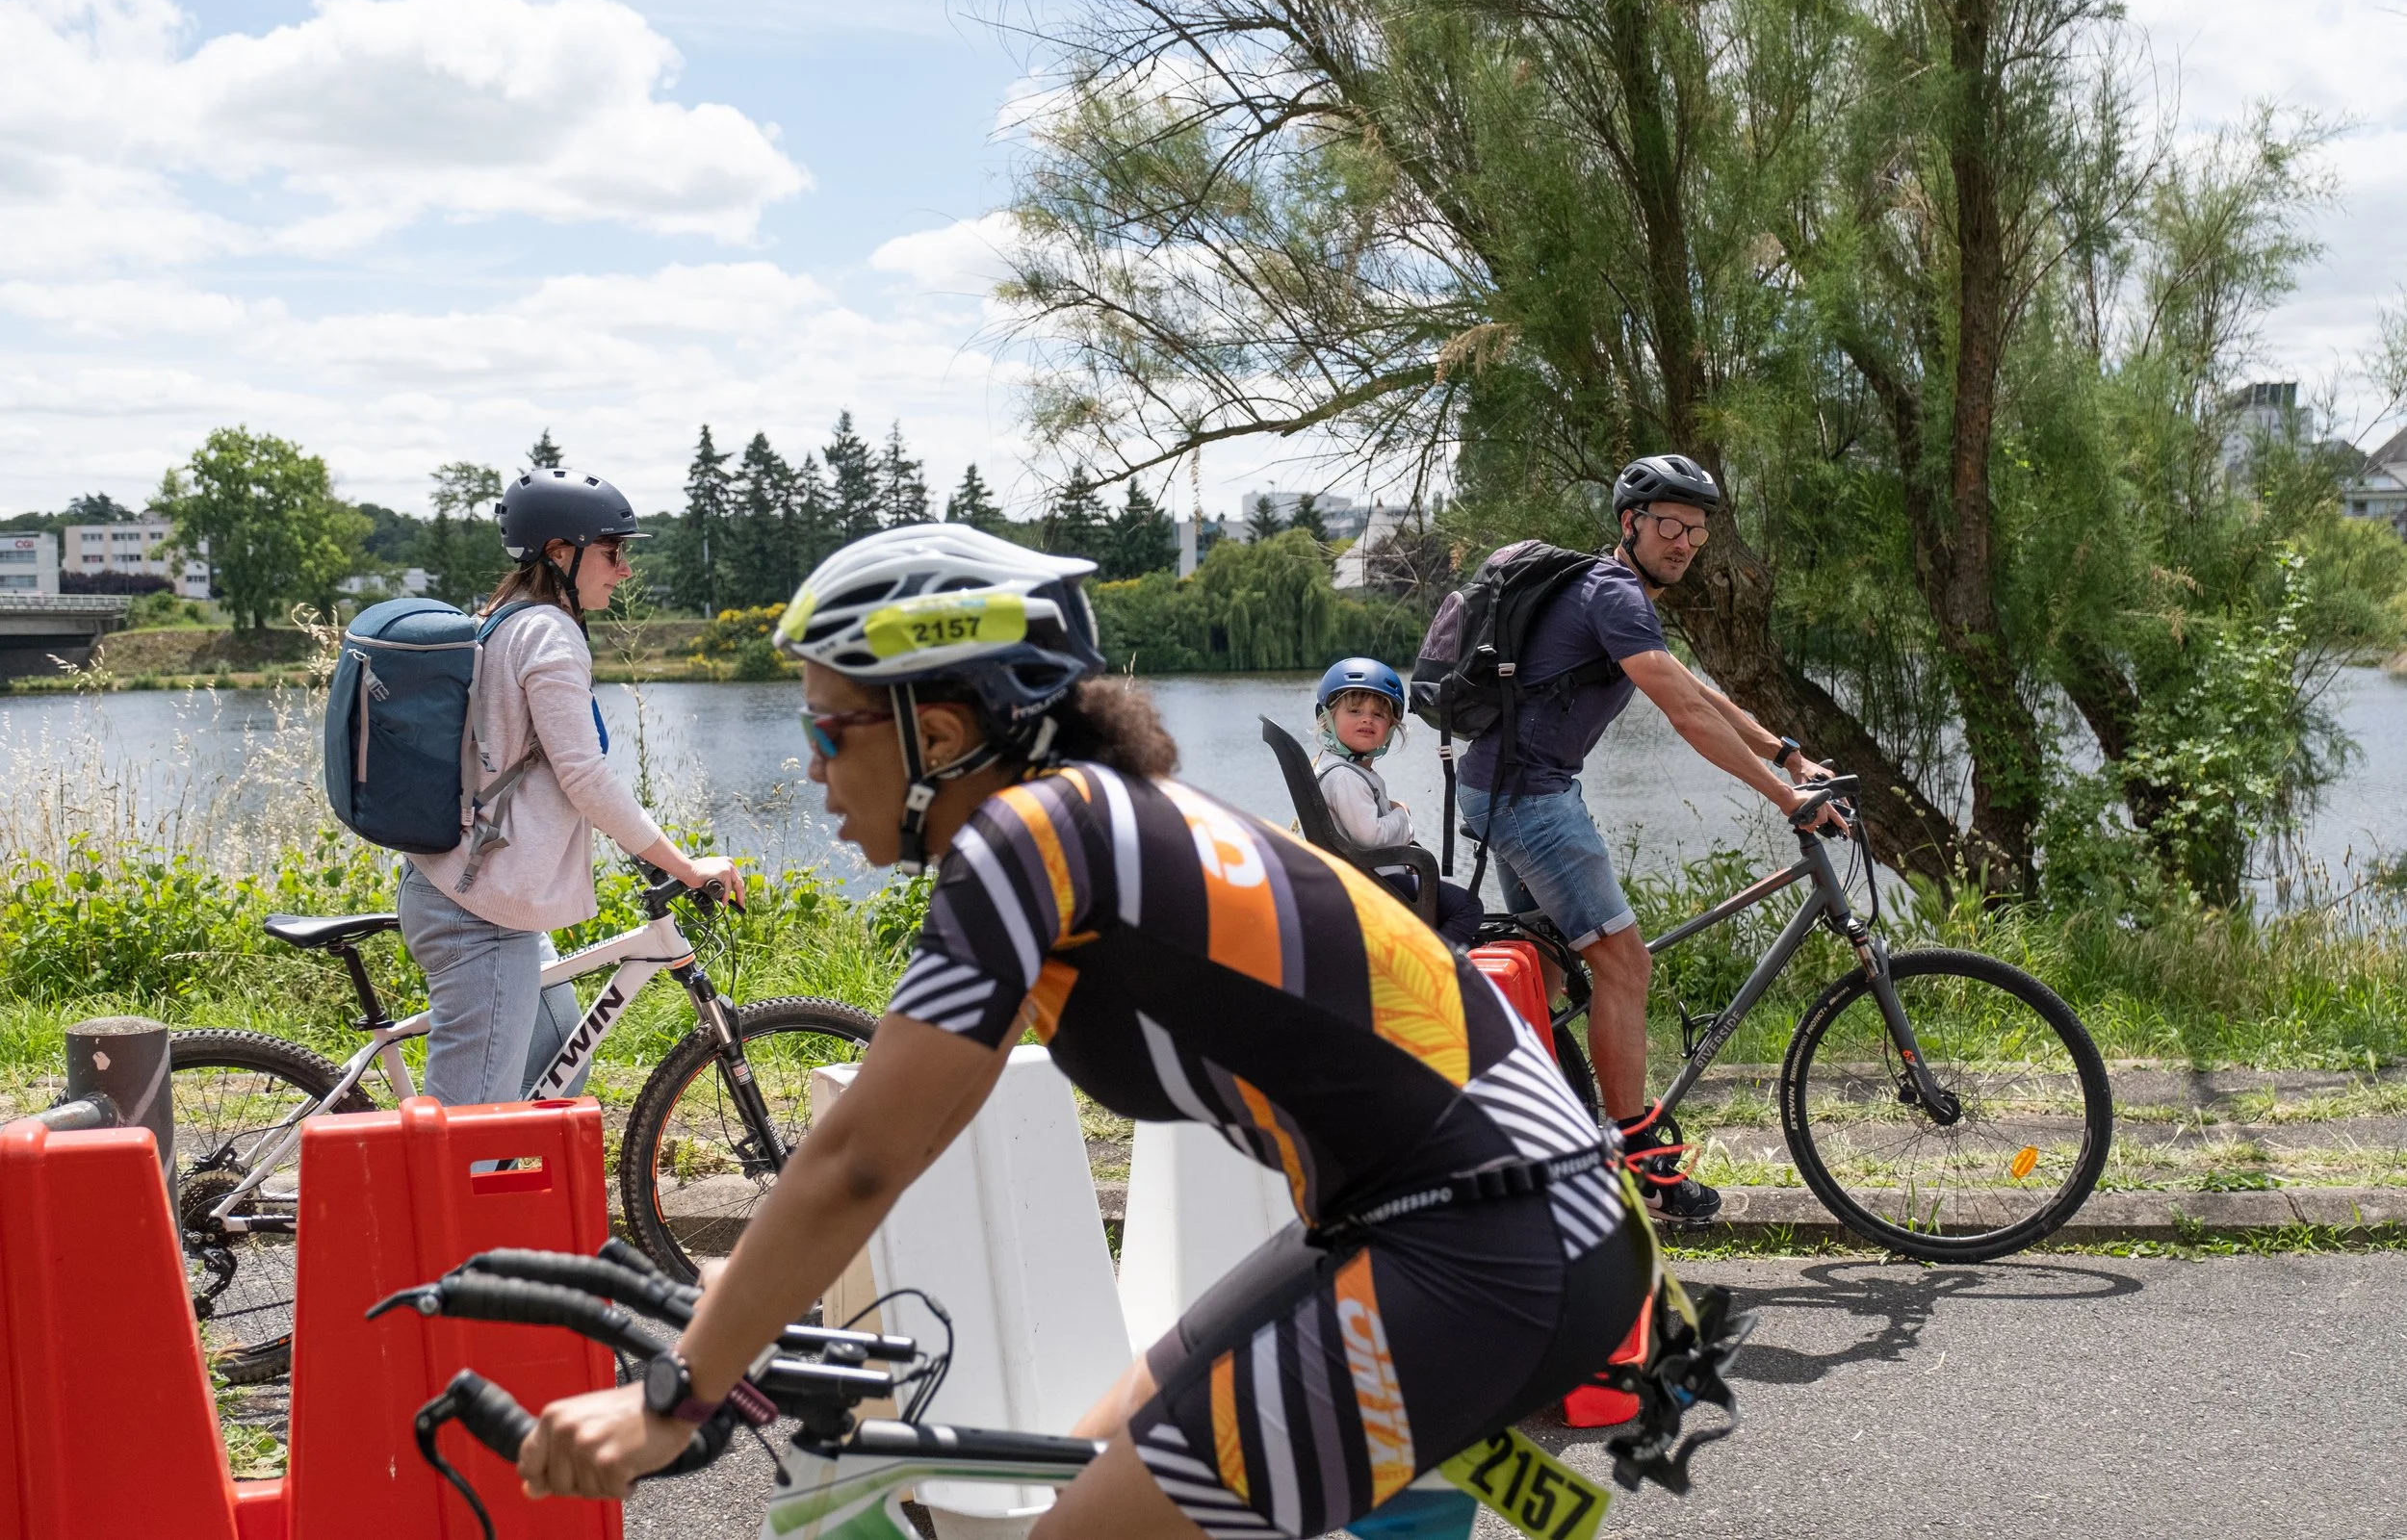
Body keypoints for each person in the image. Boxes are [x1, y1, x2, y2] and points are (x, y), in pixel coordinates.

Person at [512, 525, 1650, 1540]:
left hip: (1486, 1242)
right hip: (1452, 1219)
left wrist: (676, 1391)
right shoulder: (1092, 826)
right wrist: (741, 1304)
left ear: (941, 729)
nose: (810, 765)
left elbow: (861, 1159)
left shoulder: (1034, 831)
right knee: (1090, 1462)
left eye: (826, 724)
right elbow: (914, 1127)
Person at [1456, 454, 1835, 1225]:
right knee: (1623, 966)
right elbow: (1687, 719)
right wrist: (1789, 799)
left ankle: (1541, 1135)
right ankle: (1644, 1164)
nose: (1686, 542)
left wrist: (1784, 752)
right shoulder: (1613, 591)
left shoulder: (1613, 594)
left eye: (1697, 530)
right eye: (1670, 524)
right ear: (1630, 524)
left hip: (1514, 789)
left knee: (1553, 974)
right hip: (1529, 799)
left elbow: (1697, 691)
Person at [398, 468, 738, 1108]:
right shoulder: (549, 632)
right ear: (561, 552)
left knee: (560, 1064)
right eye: (613, 552)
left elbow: (548, 769)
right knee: (463, 1132)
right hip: (483, 914)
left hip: (487, 897)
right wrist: (684, 866)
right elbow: (584, 776)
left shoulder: (503, 618)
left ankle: (511, 1197)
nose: (624, 570)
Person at [1312, 656, 1484, 946]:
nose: (1367, 719)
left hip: (1366, 879)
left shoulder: (1342, 770)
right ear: (1326, 718)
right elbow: (1369, 836)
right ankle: (1439, 972)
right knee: (1466, 907)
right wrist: (1402, 815)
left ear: (1391, 727)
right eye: (1354, 710)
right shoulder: (1344, 777)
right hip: (1375, 884)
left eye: (1378, 715)